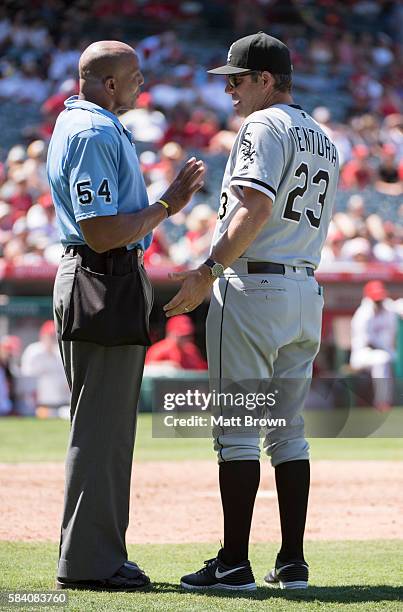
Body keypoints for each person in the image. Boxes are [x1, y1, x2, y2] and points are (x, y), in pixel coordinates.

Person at [164, 32, 340, 590]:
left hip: (253, 285)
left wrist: (208, 269)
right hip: (303, 290)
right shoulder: (324, 138)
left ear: (267, 79)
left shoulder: (263, 125)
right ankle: (291, 562)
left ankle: (234, 563)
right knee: (289, 433)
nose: (230, 91)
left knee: (237, 432)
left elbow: (257, 205)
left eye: (237, 80)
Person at [47, 40, 205, 591]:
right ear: (108, 82)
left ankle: (98, 553)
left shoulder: (92, 125)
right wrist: (167, 207)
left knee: (108, 431)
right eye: (134, 76)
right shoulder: (91, 132)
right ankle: (90, 563)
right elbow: (102, 229)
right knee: (101, 430)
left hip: (104, 275)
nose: (142, 85)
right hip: (100, 274)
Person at [350, 281, 397, 412]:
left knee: (384, 358)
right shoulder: (363, 314)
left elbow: (397, 306)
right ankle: (381, 402)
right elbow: (369, 341)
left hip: (383, 352)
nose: (379, 301)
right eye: (376, 299)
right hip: (362, 354)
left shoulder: (386, 306)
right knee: (381, 359)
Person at [20, 320, 69, 414]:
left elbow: (65, 380)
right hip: (36, 404)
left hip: (59, 403)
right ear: (42, 336)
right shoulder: (33, 352)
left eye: (54, 336)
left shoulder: (60, 354)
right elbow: (26, 377)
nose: (52, 339)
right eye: (50, 336)